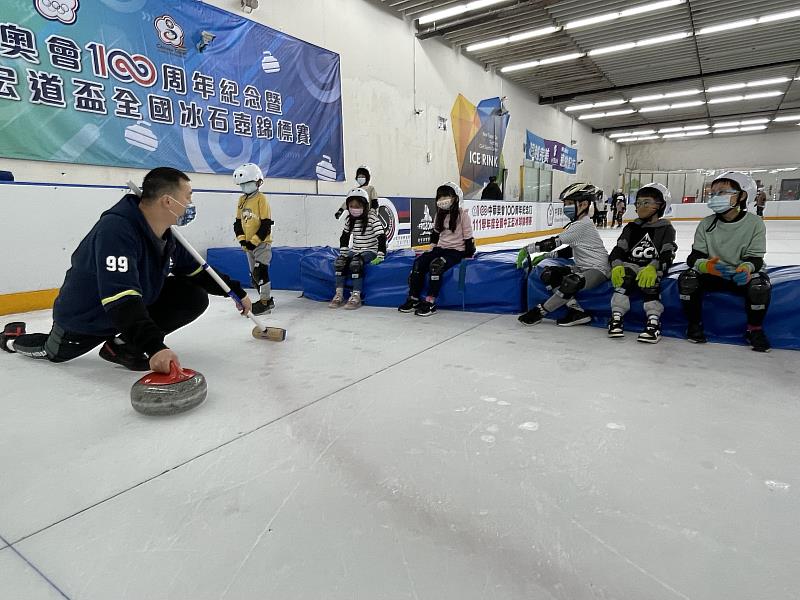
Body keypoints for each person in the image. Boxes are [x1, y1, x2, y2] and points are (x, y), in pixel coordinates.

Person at [0, 167, 251, 373]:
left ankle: (122, 347)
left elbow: (195, 270)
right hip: (86, 319)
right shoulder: (117, 229)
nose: (191, 204)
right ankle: (11, 339)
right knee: (53, 353)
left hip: (130, 309)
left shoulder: (167, 233)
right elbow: (121, 296)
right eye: (188, 197)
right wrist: (155, 347)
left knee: (191, 294)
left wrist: (235, 292)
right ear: (167, 201)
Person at [677, 171, 770, 352]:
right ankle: (694, 325)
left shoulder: (755, 223)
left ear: (742, 195)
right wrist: (706, 266)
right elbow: (694, 257)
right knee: (687, 280)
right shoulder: (706, 223)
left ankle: (754, 329)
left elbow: (756, 258)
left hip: (741, 275)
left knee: (760, 287)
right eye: (713, 193)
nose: (714, 197)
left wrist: (746, 268)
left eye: (722, 192)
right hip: (714, 274)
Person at [516, 183, 610, 326]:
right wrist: (547, 257)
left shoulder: (582, 225)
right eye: (565, 204)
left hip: (599, 269)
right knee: (549, 274)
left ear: (584, 204)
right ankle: (576, 311)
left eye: (570, 203)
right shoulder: (578, 225)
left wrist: (527, 249)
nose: (566, 207)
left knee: (571, 282)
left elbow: (553, 243)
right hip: (583, 267)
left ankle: (540, 312)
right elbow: (571, 250)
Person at [607, 183, 677, 343]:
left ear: (660, 206)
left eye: (647, 203)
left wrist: (654, 266)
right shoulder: (632, 227)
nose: (641, 207)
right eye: (638, 203)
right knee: (624, 281)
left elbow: (668, 252)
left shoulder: (666, 228)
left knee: (650, 285)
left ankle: (653, 322)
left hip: (651, 266)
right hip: (630, 265)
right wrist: (617, 264)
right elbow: (619, 248)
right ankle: (616, 318)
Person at [398, 181, 475, 317]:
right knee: (419, 263)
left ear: (455, 198)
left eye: (446, 197)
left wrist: (469, 254)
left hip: (456, 251)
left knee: (436, 265)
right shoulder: (439, 215)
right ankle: (414, 298)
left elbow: (468, 237)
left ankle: (430, 301)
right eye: (440, 197)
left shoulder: (463, 216)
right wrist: (431, 249)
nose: (442, 200)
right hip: (441, 248)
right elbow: (435, 234)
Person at [330, 188, 387, 309]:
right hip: (356, 249)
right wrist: (344, 252)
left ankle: (356, 296)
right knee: (340, 262)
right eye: (351, 206)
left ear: (365, 206)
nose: (354, 208)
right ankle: (339, 294)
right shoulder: (350, 220)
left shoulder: (372, 218)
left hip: (370, 250)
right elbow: (344, 236)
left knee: (356, 263)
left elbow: (382, 237)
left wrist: (381, 254)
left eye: (358, 206)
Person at [232, 163, 274, 315]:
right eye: (242, 185)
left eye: (247, 184)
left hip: (261, 243)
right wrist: (242, 240)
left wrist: (254, 242)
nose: (244, 187)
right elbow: (238, 222)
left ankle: (265, 302)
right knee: (254, 278)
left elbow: (266, 224)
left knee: (260, 271)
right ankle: (265, 298)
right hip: (248, 246)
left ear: (257, 182)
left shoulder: (261, 199)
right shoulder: (242, 200)